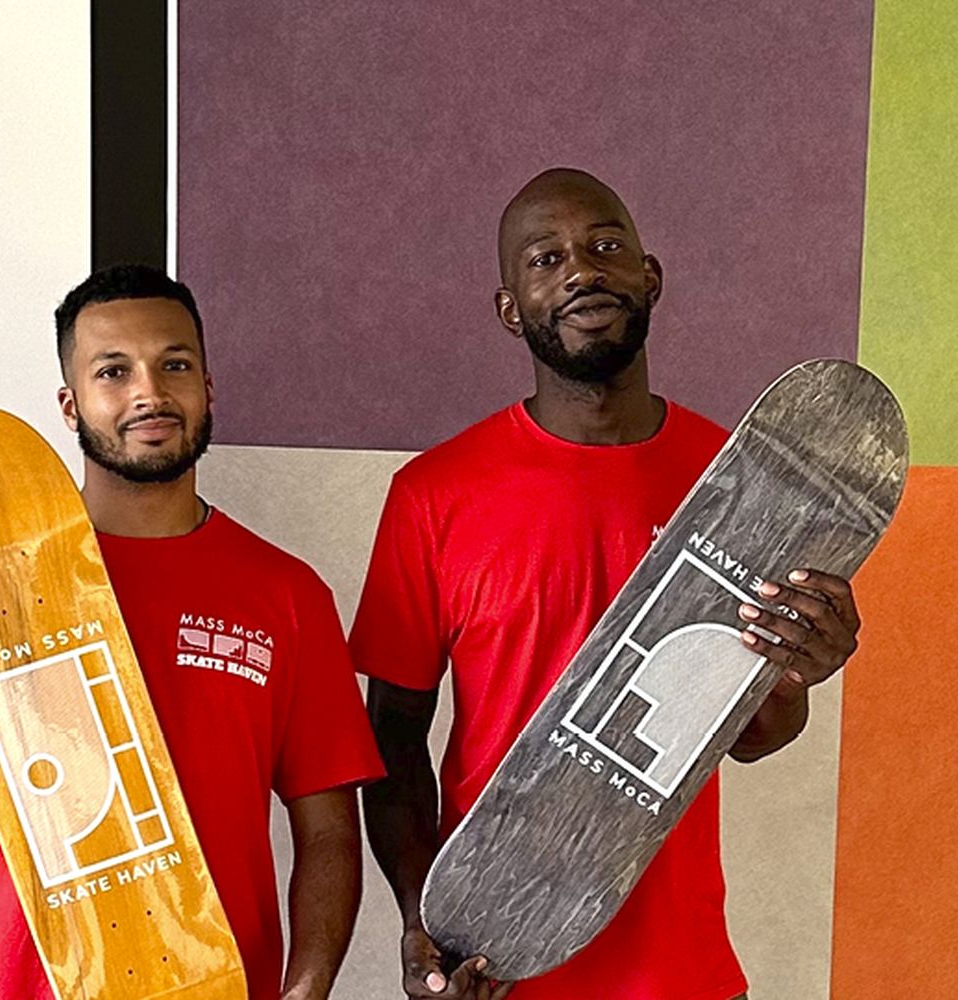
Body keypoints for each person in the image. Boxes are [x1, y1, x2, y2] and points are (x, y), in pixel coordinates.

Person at [352, 169, 867, 1000]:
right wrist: (424, 920)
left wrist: (799, 666)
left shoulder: (738, 481)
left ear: (649, 276)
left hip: (682, 974)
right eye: (546, 259)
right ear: (510, 308)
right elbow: (393, 742)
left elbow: (751, 734)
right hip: (498, 967)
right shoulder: (433, 496)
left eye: (604, 246)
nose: (581, 271)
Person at [0, 264, 384, 1000]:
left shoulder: (287, 596)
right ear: (71, 405)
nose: (149, 393)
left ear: (208, 387)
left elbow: (329, 833)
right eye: (113, 371)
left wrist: (306, 990)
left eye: (174, 365)